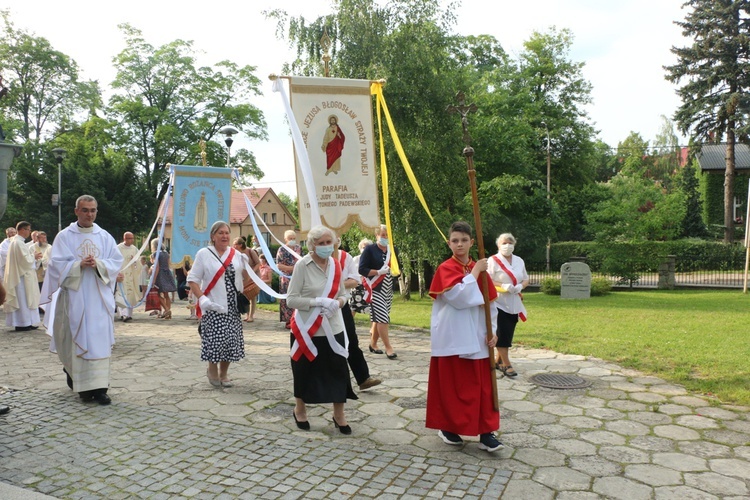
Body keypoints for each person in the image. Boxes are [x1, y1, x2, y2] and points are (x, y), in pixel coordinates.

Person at [426, 221, 503, 452]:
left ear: (471, 242)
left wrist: (494, 331)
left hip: (478, 336)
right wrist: (477, 271)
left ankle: (486, 432)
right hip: (452, 337)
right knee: (453, 387)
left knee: (482, 387)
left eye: (464, 240)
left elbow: (490, 305)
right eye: (455, 240)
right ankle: (448, 426)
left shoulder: (478, 269)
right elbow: (458, 299)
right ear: (449, 243)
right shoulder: (446, 268)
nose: (459, 244)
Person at [40, 195, 123, 405]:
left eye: (93, 210)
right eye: (85, 210)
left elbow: (115, 262)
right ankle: (82, 386)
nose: (89, 214)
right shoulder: (65, 236)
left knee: (99, 343)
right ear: (76, 211)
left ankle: (101, 388)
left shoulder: (104, 236)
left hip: (99, 299)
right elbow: (55, 265)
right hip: (75, 297)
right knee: (75, 339)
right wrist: (77, 265)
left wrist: (99, 265)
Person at [286, 225, 356, 433]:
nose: (326, 246)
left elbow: (344, 294)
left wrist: (340, 302)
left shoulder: (335, 265)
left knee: (338, 371)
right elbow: (291, 299)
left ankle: (339, 414)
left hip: (333, 329)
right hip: (308, 330)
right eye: (321, 243)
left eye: (329, 242)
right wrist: (317, 301)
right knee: (304, 371)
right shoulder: (302, 266)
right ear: (312, 245)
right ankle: (300, 410)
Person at [188, 221, 251, 388]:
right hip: (213, 304)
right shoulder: (204, 253)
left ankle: (224, 373)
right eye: (220, 233)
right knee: (216, 341)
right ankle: (212, 369)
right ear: (213, 236)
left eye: (227, 233)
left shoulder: (235, 254)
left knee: (230, 341)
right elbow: (192, 280)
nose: (224, 236)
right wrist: (202, 299)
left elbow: (246, 277)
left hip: (232, 306)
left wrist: (249, 265)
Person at [334, 237, 382, 391]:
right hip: (320, 307)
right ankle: (324, 382)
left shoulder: (344, 257)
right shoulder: (311, 259)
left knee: (351, 341)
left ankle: (363, 378)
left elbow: (355, 280)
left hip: (341, 305)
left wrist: (334, 284)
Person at [487, 232, 528, 377]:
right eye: (504, 243)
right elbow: (487, 280)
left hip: (514, 302)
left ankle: (498, 361)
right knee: (502, 332)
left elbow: (525, 279)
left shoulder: (519, 261)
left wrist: (520, 287)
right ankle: (507, 364)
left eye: (510, 243)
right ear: (498, 245)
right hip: (499, 302)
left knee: (508, 331)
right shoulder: (493, 261)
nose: (507, 245)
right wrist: (504, 285)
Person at [358, 225, 396, 359]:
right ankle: (388, 348)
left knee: (378, 318)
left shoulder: (392, 250)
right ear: (376, 236)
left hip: (388, 287)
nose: (385, 237)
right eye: (382, 235)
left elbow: (397, 266)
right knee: (383, 318)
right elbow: (361, 269)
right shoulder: (369, 250)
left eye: (387, 235)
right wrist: (378, 272)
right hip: (374, 288)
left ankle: (373, 344)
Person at [4, 221, 42, 331]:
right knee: (23, 299)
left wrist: (32, 257)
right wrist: (33, 256)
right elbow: (24, 260)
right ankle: (22, 323)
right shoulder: (18, 243)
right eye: (28, 229)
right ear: (22, 230)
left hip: (23, 275)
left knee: (27, 299)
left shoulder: (18, 242)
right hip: (21, 277)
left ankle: (28, 321)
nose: (29, 232)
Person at [276, 229, 301, 329]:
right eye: (290, 238)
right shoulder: (282, 249)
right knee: (286, 299)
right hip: (286, 278)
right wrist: (292, 268)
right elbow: (279, 265)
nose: (292, 240)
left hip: (298, 277)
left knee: (297, 297)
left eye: (294, 238)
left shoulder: (299, 248)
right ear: (285, 239)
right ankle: (288, 320)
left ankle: (297, 319)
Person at [232, 236, 260, 322]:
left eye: (235, 244)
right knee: (245, 295)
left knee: (252, 296)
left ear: (240, 245)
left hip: (254, 276)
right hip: (243, 277)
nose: (233, 246)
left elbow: (258, 263)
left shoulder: (250, 251)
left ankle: (251, 315)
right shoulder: (235, 253)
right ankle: (247, 314)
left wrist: (252, 272)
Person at [116, 232, 140, 322]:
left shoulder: (134, 249)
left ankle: (129, 314)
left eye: (132, 238)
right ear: (125, 239)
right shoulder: (118, 248)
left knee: (130, 294)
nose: (132, 240)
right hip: (121, 274)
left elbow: (138, 262)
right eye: (130, 238)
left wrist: (135, 261)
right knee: (121, 294)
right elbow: (114, 261)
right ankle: (123, 314)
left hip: (131, 275)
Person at [150, 238, 177, 319]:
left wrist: (154, 279)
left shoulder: (156, 253)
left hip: (160, 274)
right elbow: (169, 264)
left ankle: (166, 309)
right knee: (166, 294)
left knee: (158, 293)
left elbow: (157, 267)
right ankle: (167, 312)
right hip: (167, 273)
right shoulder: (166, 253)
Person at [348, 238, 372, 317]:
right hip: (357, 287)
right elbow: (352, 273)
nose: (365, 249)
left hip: (369, 287)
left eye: (368, 247)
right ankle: (348, 327)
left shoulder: (373, 260)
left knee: (372, 310)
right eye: (364, 247)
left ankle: (373, 329)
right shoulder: (356, 259)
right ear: (360, 248)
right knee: (352, 308)